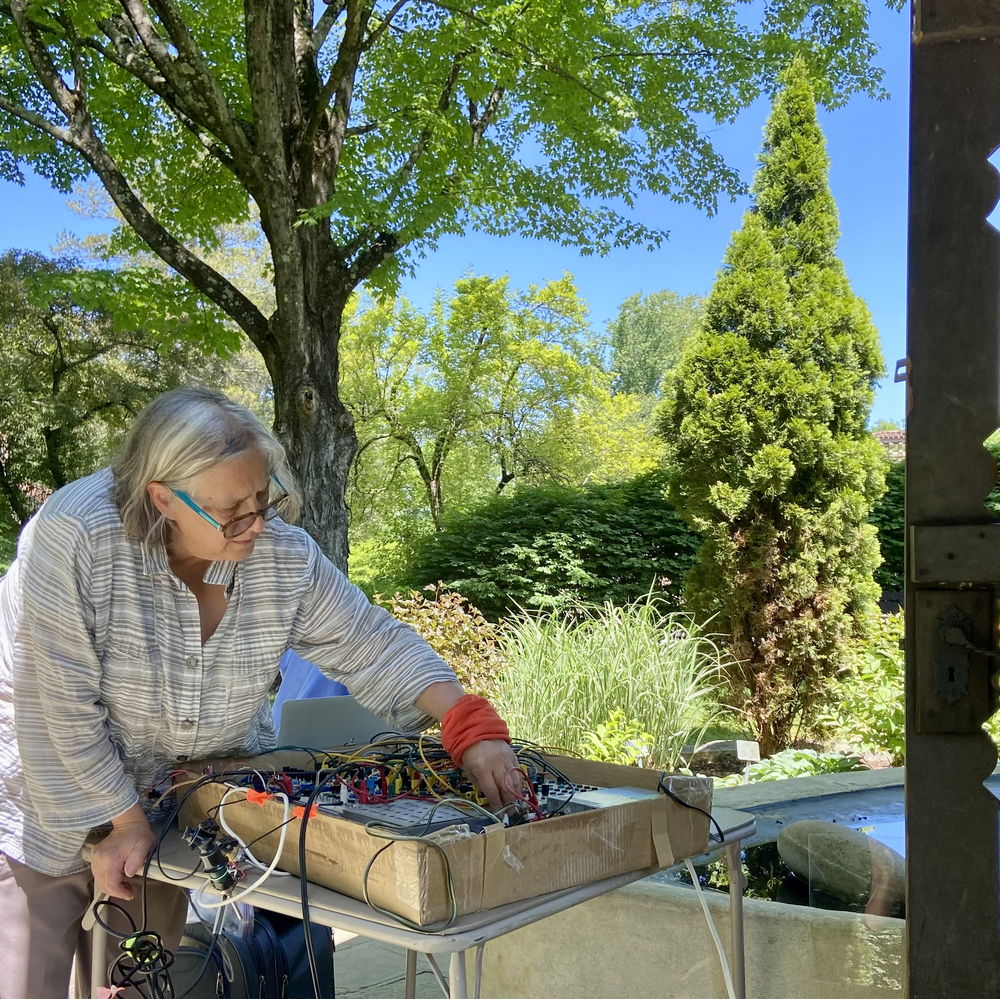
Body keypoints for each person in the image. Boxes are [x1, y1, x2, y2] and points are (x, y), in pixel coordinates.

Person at [0, 386, 520, 999]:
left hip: (170, 808)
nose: (256, 524)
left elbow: (372, 640)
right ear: (163, 498)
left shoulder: (280, 554)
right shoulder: (72, 536)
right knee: (24, 976)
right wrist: (120, 819)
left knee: (140, 983)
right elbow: (55, 705)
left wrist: (469, 724)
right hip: (43, 801)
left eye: (263, 497)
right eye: (233, 511)